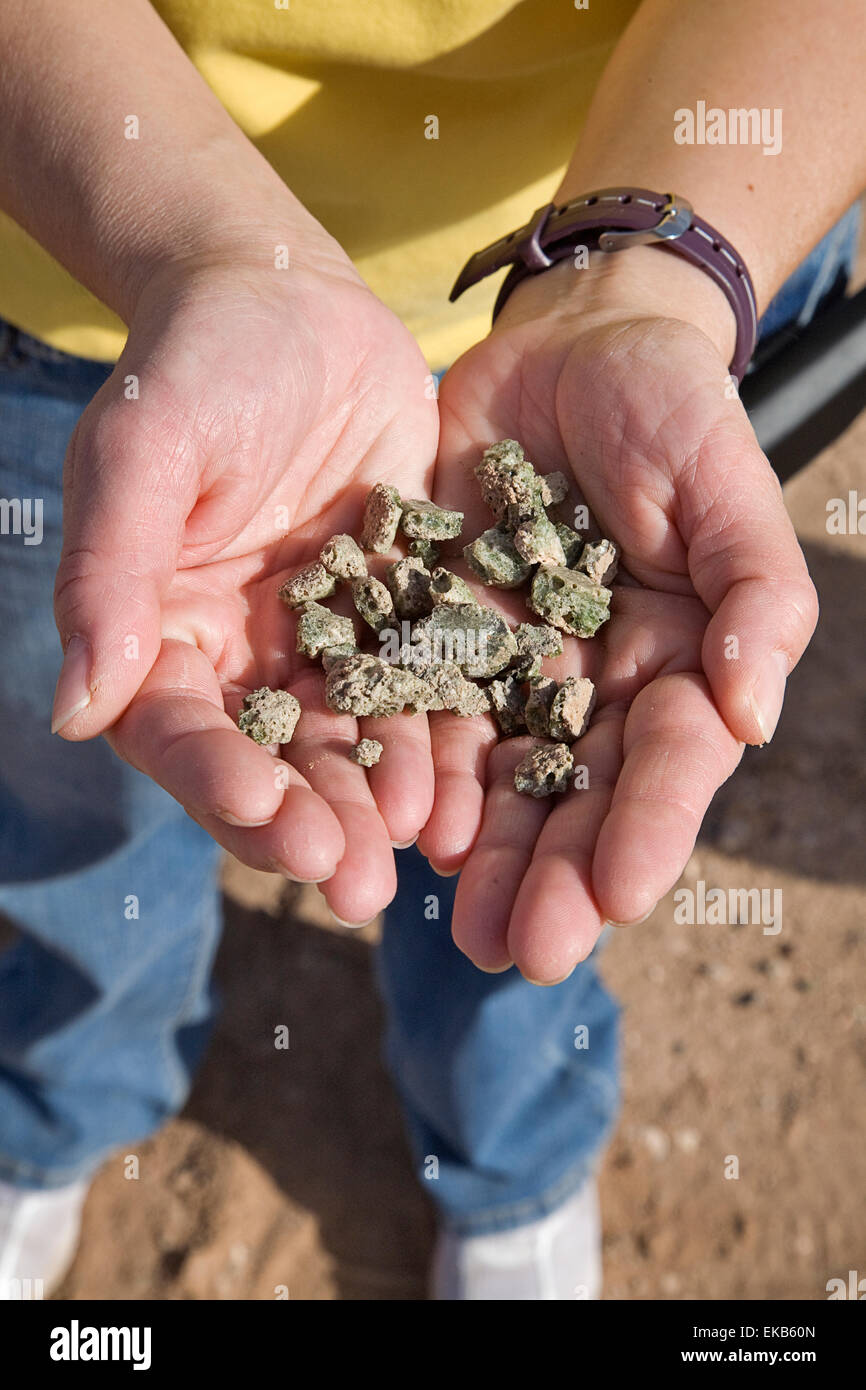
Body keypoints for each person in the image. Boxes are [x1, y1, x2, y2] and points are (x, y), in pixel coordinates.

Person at [0, 0, 862, 1301]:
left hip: (652, 229)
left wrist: (636, 274)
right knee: (79, 800)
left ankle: (510, 1165)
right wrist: (206, 249)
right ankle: (57, 1108)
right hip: (87, 256)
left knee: (526, 863)